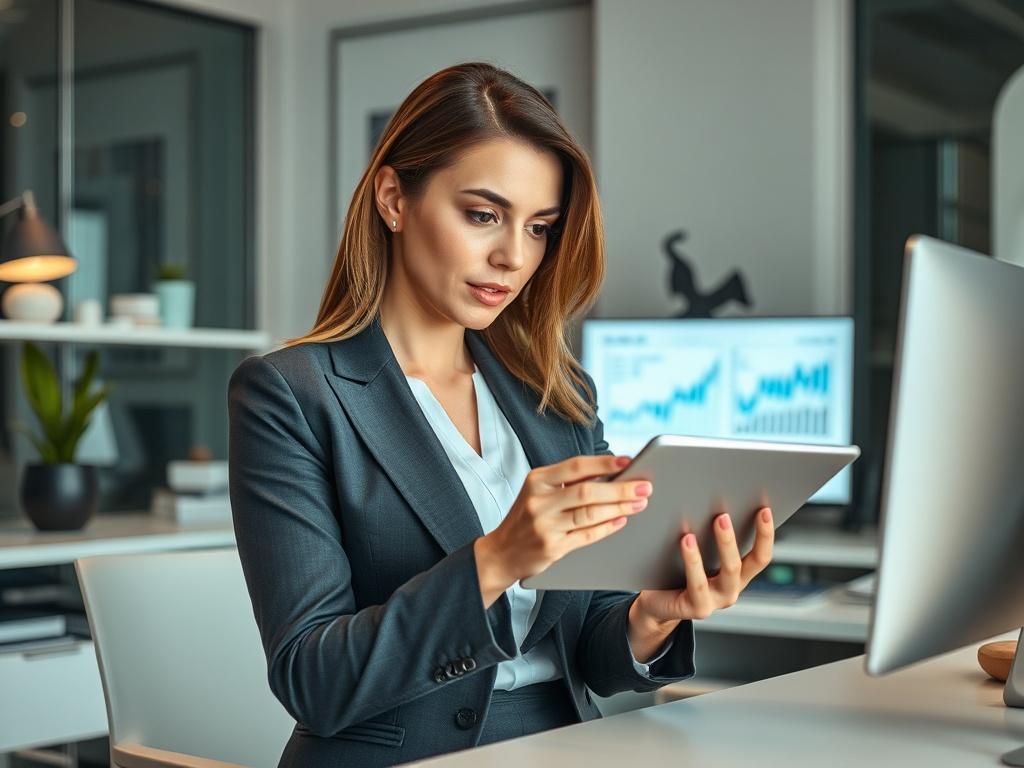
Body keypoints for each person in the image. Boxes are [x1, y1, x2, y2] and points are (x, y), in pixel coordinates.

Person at [227, 62, 775, 768]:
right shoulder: (291, 394)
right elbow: (313, 681)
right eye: (483, 214)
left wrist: (651, 617)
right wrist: (496, 560)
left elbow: (594, 658)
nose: (513, 257)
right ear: (394, 199)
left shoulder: (556, 393)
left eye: (540, 227)